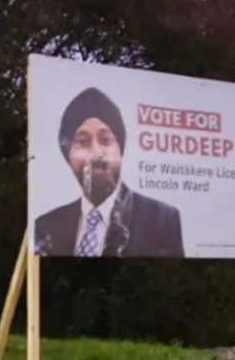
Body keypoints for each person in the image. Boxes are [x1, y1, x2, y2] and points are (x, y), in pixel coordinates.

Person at [34, 87, 184, 257]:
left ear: (121, 149)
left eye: (105, 140)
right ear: (68, 156)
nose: (96, 153)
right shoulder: (46, 225)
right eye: (82, 141)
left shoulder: (161, 219)